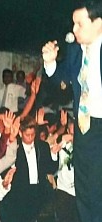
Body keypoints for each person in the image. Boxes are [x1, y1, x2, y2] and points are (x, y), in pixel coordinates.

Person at [42, 1, 102, 221]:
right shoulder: (75, 49)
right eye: (73, 24)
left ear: (98, 24)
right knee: (86, 190)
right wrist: (51, 64)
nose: (74, 29)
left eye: (79, 24)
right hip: (85, 126)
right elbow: (64, 81)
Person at [0, 115, 58, 222]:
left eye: (33, 135)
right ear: (20, 133)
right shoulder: (14, 148)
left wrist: (53, 154)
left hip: (38, 192)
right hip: (19, 195)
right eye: (27, 135)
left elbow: (51, 169)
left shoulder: (42, 146)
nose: (30, 138)